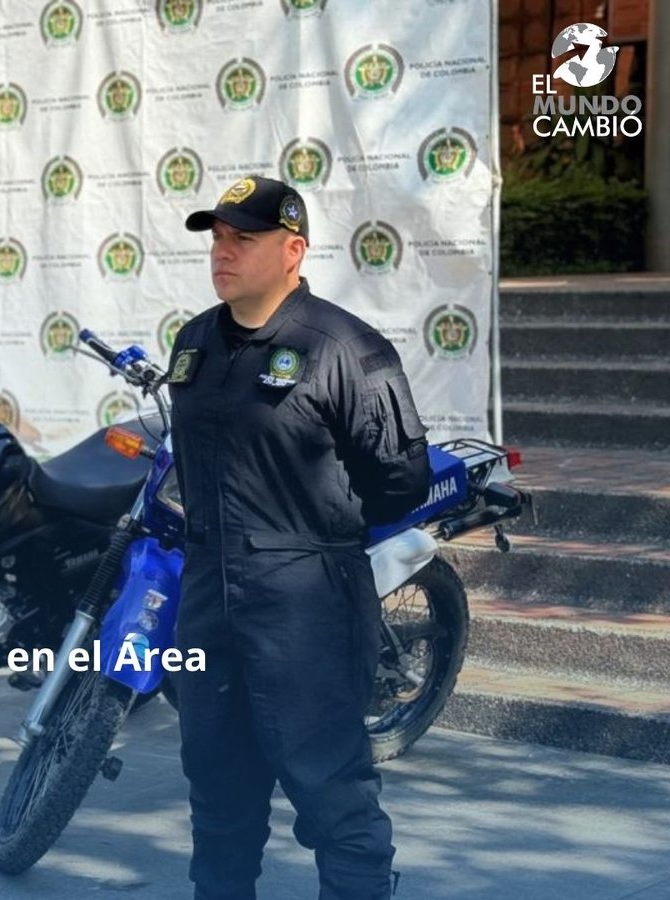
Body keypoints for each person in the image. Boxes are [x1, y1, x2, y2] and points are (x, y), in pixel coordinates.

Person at [163, 175, 432, 899]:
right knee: (217, 791)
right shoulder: (194, 341)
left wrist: (309, 534)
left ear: (293, 251)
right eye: (218, 238)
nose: (222, 252)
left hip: (306, 604)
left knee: (330, 793)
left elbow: (398, 483)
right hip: (208, 596)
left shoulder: (344, 348)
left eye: (243, 239)